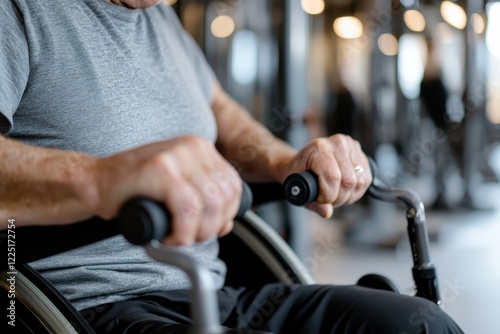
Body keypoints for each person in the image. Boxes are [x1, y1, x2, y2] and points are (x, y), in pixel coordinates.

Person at [0, 0, 464, 333]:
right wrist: (104, 179)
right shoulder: (22, 11)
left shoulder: (161, 18)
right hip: (92, 307)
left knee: (418, 323)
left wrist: (284, 160)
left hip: (216, 293)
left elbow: (223, 115)